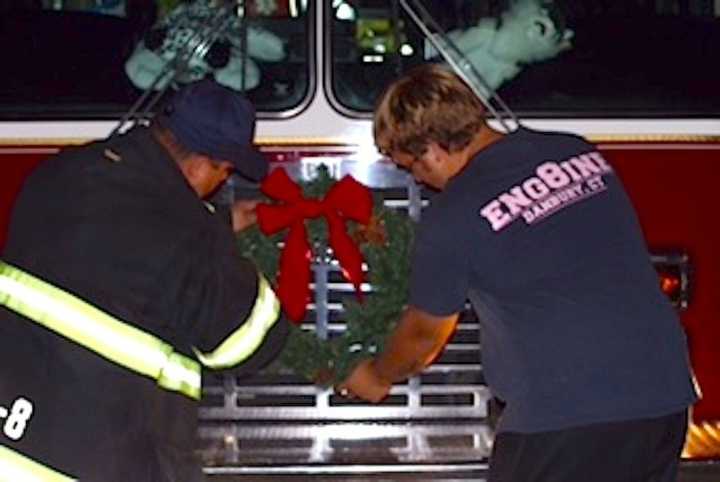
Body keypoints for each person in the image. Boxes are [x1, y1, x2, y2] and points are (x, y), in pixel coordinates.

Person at [338, 64, 697, 482]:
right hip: (663, 399)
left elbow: (423, 336)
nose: (418, 180)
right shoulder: (576, 153)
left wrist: (379, 376)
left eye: (411, 167)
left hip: (568, 418)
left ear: (432, 149)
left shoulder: (455, 213)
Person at [0, 79, 288, 481]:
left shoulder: (61, 172)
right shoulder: (188, 238)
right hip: (95, 463)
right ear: (200, 163)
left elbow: (114, 235)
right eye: (223, 171)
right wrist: (229, 253)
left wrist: (214, 223)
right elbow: (244, 344)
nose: (221, 183)